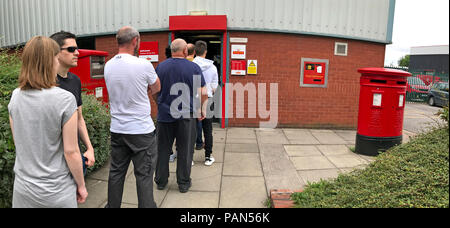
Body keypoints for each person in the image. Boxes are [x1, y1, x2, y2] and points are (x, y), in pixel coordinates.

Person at [8, 36, 88, 208]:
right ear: (51, 61)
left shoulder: (15, 96)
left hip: (23, 189)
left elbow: (19, 142)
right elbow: (71, 151)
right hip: (56, 191)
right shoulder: (65, 100)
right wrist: (81, 185)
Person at [104, 26, 161, 208]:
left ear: (117, 41)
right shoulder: (143, 64)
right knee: (143, 175)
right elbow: (157, 87)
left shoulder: (108, 65)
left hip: (118, 129)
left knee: (116, 172)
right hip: (140, 131)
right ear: (135, 41)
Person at [154, 38, 208, 193]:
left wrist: (160, 103)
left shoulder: (161, 67)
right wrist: (201, 109)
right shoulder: (194, 67)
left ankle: (161, 181)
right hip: (187, 116)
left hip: (165, 115)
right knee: (185, 150)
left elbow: (153, 90)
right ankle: (183, 183)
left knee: (163, 149)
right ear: (185, 51)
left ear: (172, 50)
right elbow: (203, 92)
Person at [50, 31, 95, 174]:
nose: (77, 53)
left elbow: (79, 118)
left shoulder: (75, 80)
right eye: (71, 49)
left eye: (77, 48)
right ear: (55, 52)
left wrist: (89, 147)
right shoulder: (46, 83)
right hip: (54, 161)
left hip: (76, 156)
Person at [193, 40, 219, 166]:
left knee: (191, 129)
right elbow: (214, 88)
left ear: (195, 51)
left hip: (192, 101)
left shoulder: (190, 65)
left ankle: (190, 158)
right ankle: (208, 157)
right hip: (207, 100)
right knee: (208, 130)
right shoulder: (213, 68)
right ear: (205, 52)